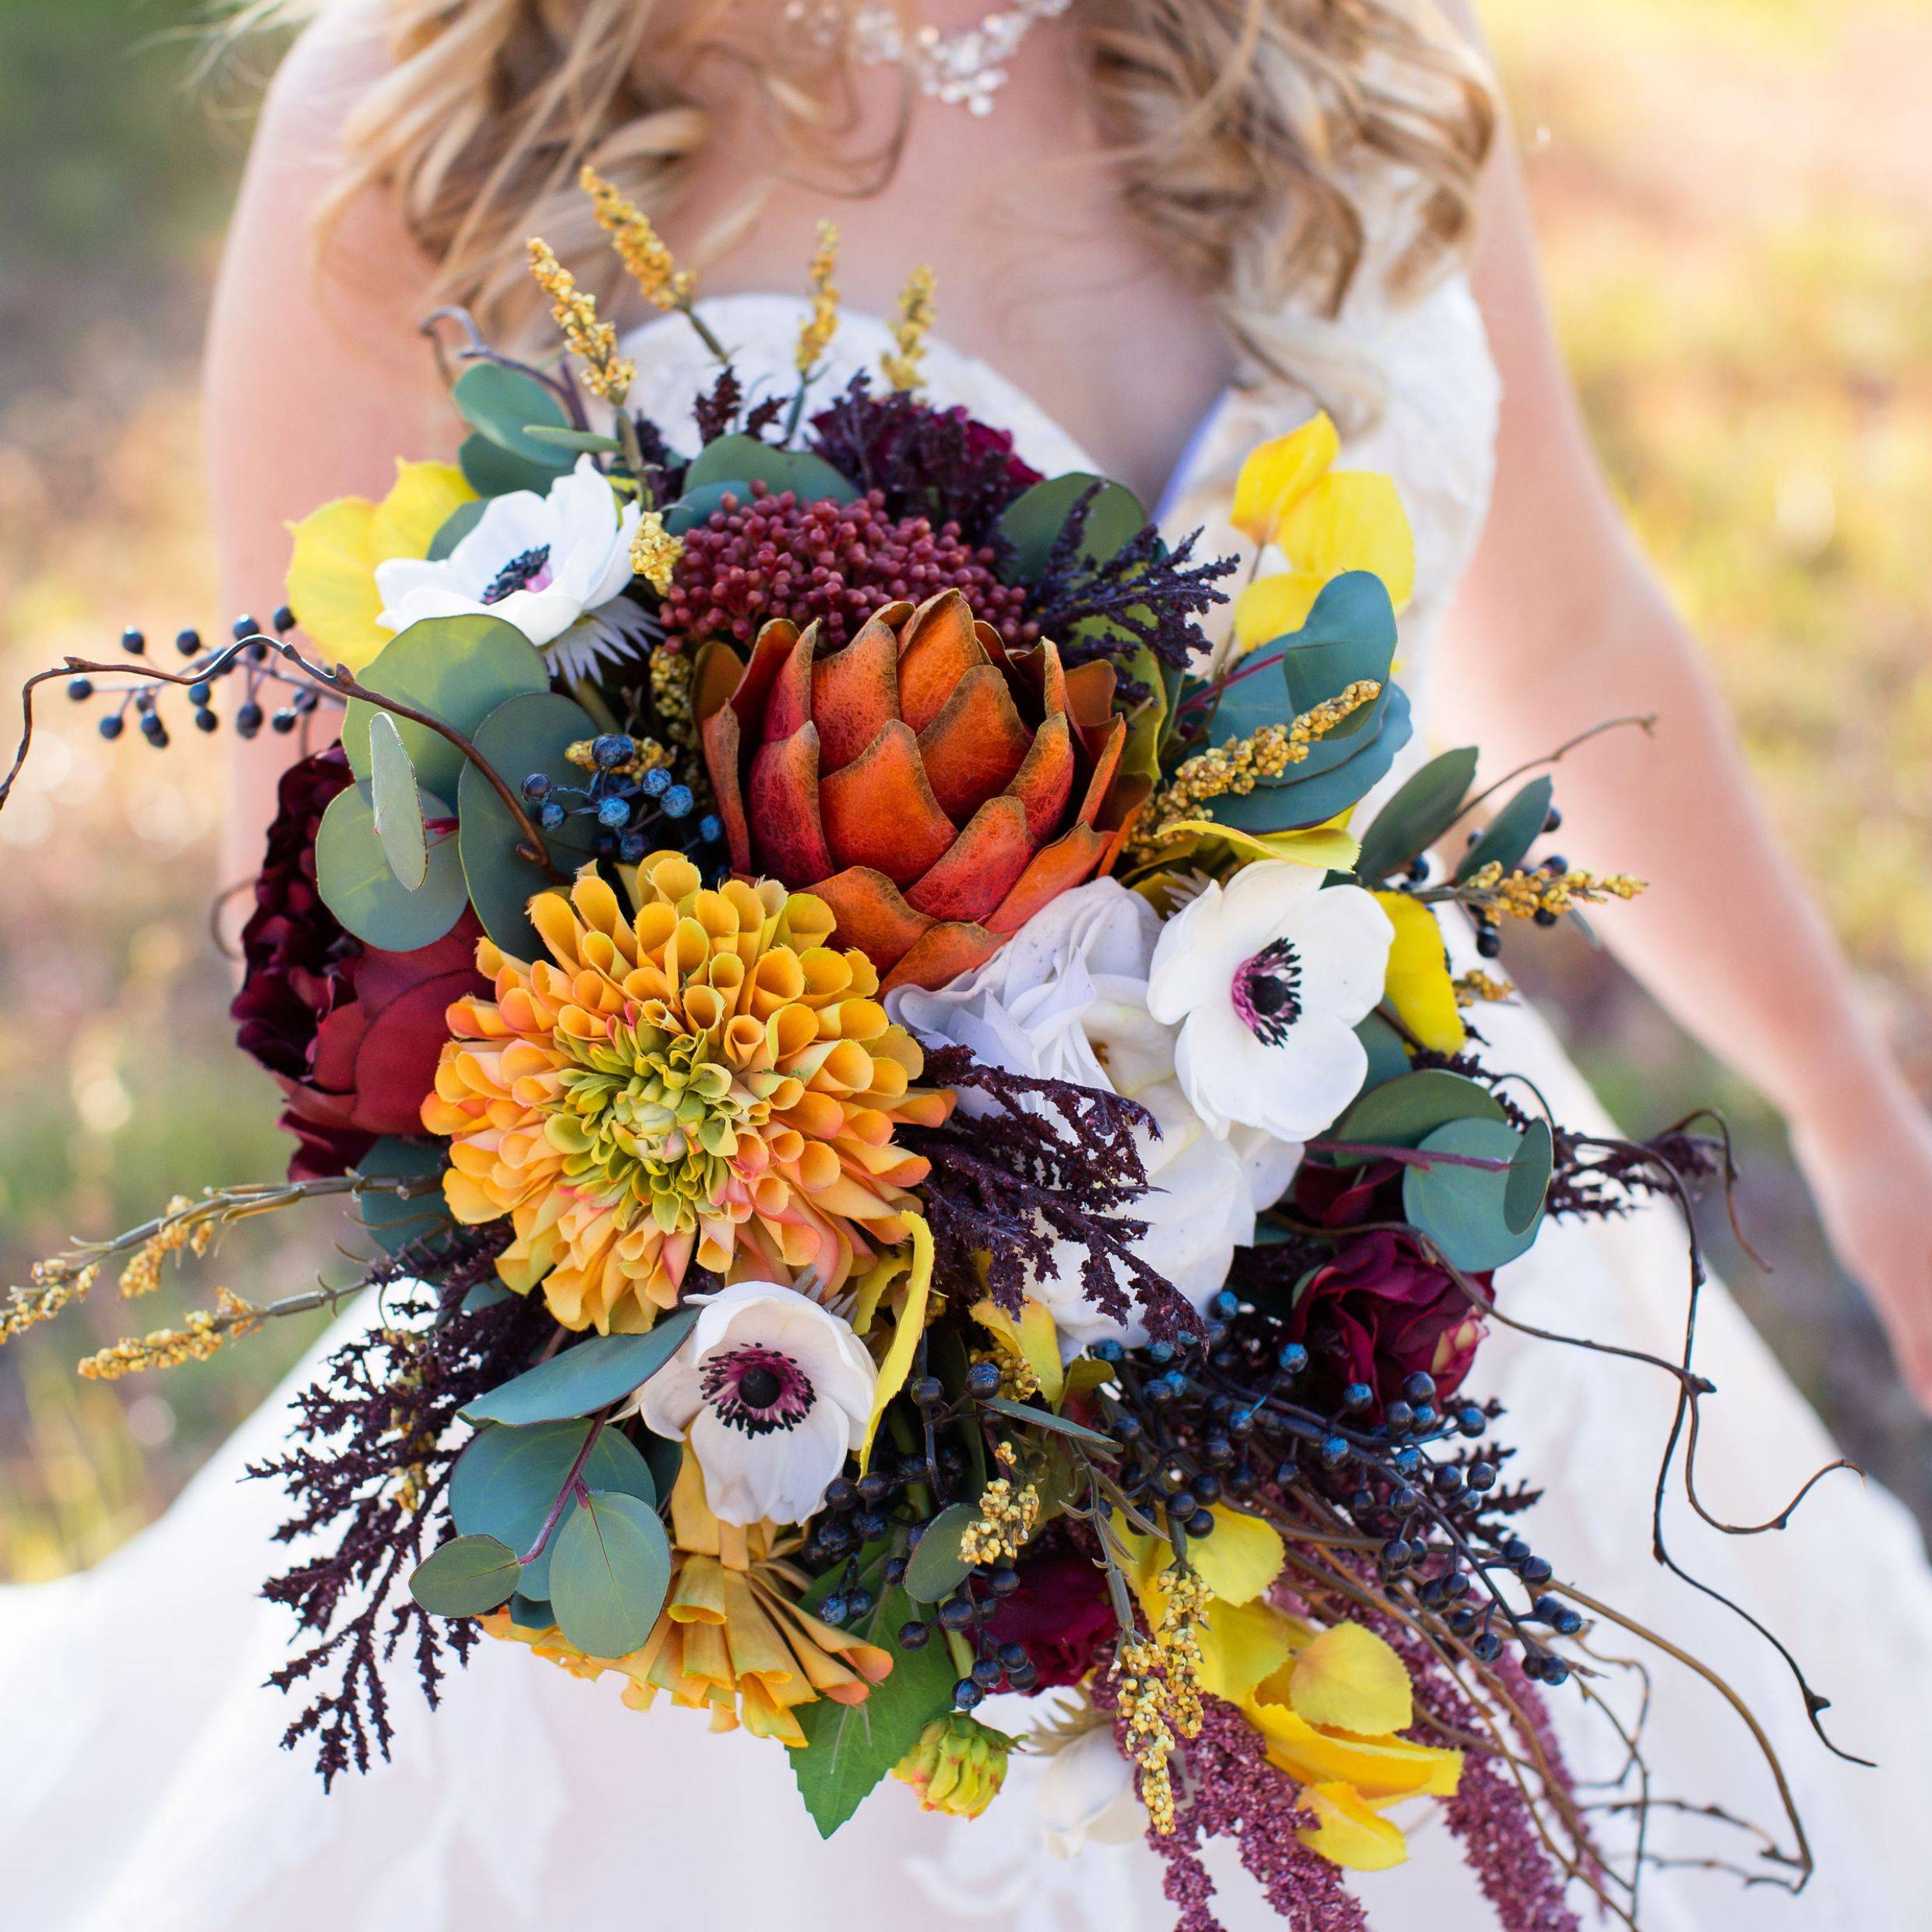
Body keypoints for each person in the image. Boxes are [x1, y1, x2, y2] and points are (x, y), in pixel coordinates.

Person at [3, 2, 1930, 1927]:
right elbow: (347, 875)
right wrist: (840, 1390)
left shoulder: (1362, 59)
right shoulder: (430, 123)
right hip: (749, 1401)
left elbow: (1572, 625)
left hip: (1400, 1296)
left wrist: (1854, 1113)